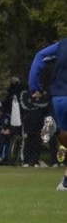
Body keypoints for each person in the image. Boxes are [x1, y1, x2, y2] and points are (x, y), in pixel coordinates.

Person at [28, 36, 67, 191]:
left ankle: (55, 129)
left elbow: (40, 56)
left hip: (58, 98)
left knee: (64, 136)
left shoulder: (62, 44)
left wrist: (34, 86)